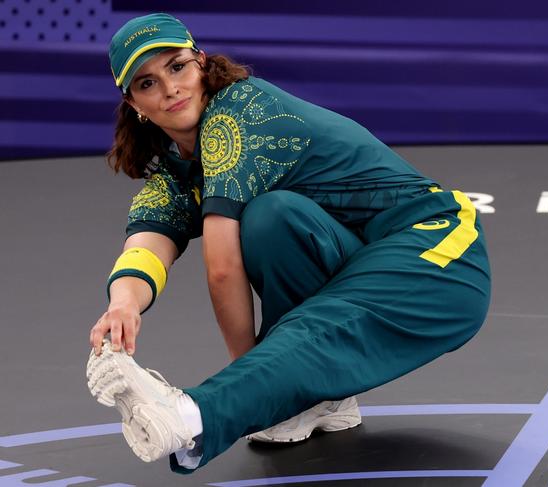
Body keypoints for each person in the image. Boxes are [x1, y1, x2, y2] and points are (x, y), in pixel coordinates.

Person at [86, 12, 491, 475]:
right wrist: (123, 305)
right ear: (134, 103)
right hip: (359, 257)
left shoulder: (237, 113)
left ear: (201, 64)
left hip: (440, 253)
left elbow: (221, 268)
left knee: (322, 309)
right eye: (147, 83)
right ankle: (320, 399)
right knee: (271, 217)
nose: (170, 88)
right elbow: (146, 245)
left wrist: (255, 390)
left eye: (177, 67)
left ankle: (189, 415)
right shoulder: (176, 170)